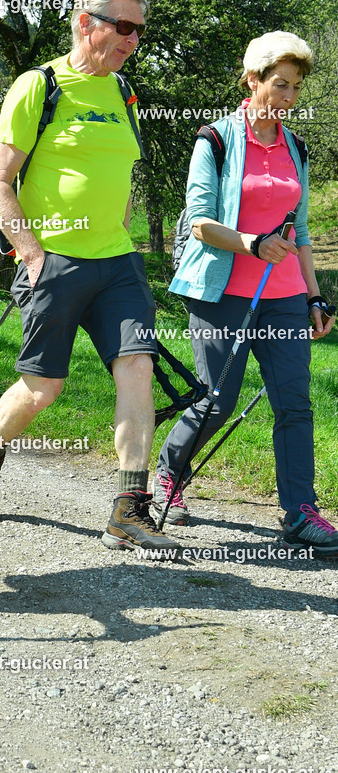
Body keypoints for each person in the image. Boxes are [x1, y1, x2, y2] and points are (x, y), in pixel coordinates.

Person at [0, 0, 182, 556]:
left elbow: (122, 175)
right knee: (43, 388)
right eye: (124, 27)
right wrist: (30, 253)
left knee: (136, 365)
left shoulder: (124, 92)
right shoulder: (42, 86)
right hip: (53, 260)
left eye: (140, 30)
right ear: (86, 21)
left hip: (118, 262)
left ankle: (129, 507)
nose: (134, 40)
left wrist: (123, 229)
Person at [154, 31, 338, 557]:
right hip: (223, 291)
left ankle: (300, 511)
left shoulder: (294, 147)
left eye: (296, 88)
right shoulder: (215, 140)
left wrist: (314, 298)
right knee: (216, 399)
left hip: (283, 295)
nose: (288, 98)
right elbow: (200, 223)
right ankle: (169, 473)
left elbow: (299, 233)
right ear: (252, 81)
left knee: (295, 404)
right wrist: (253, 245)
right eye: (280, 85)